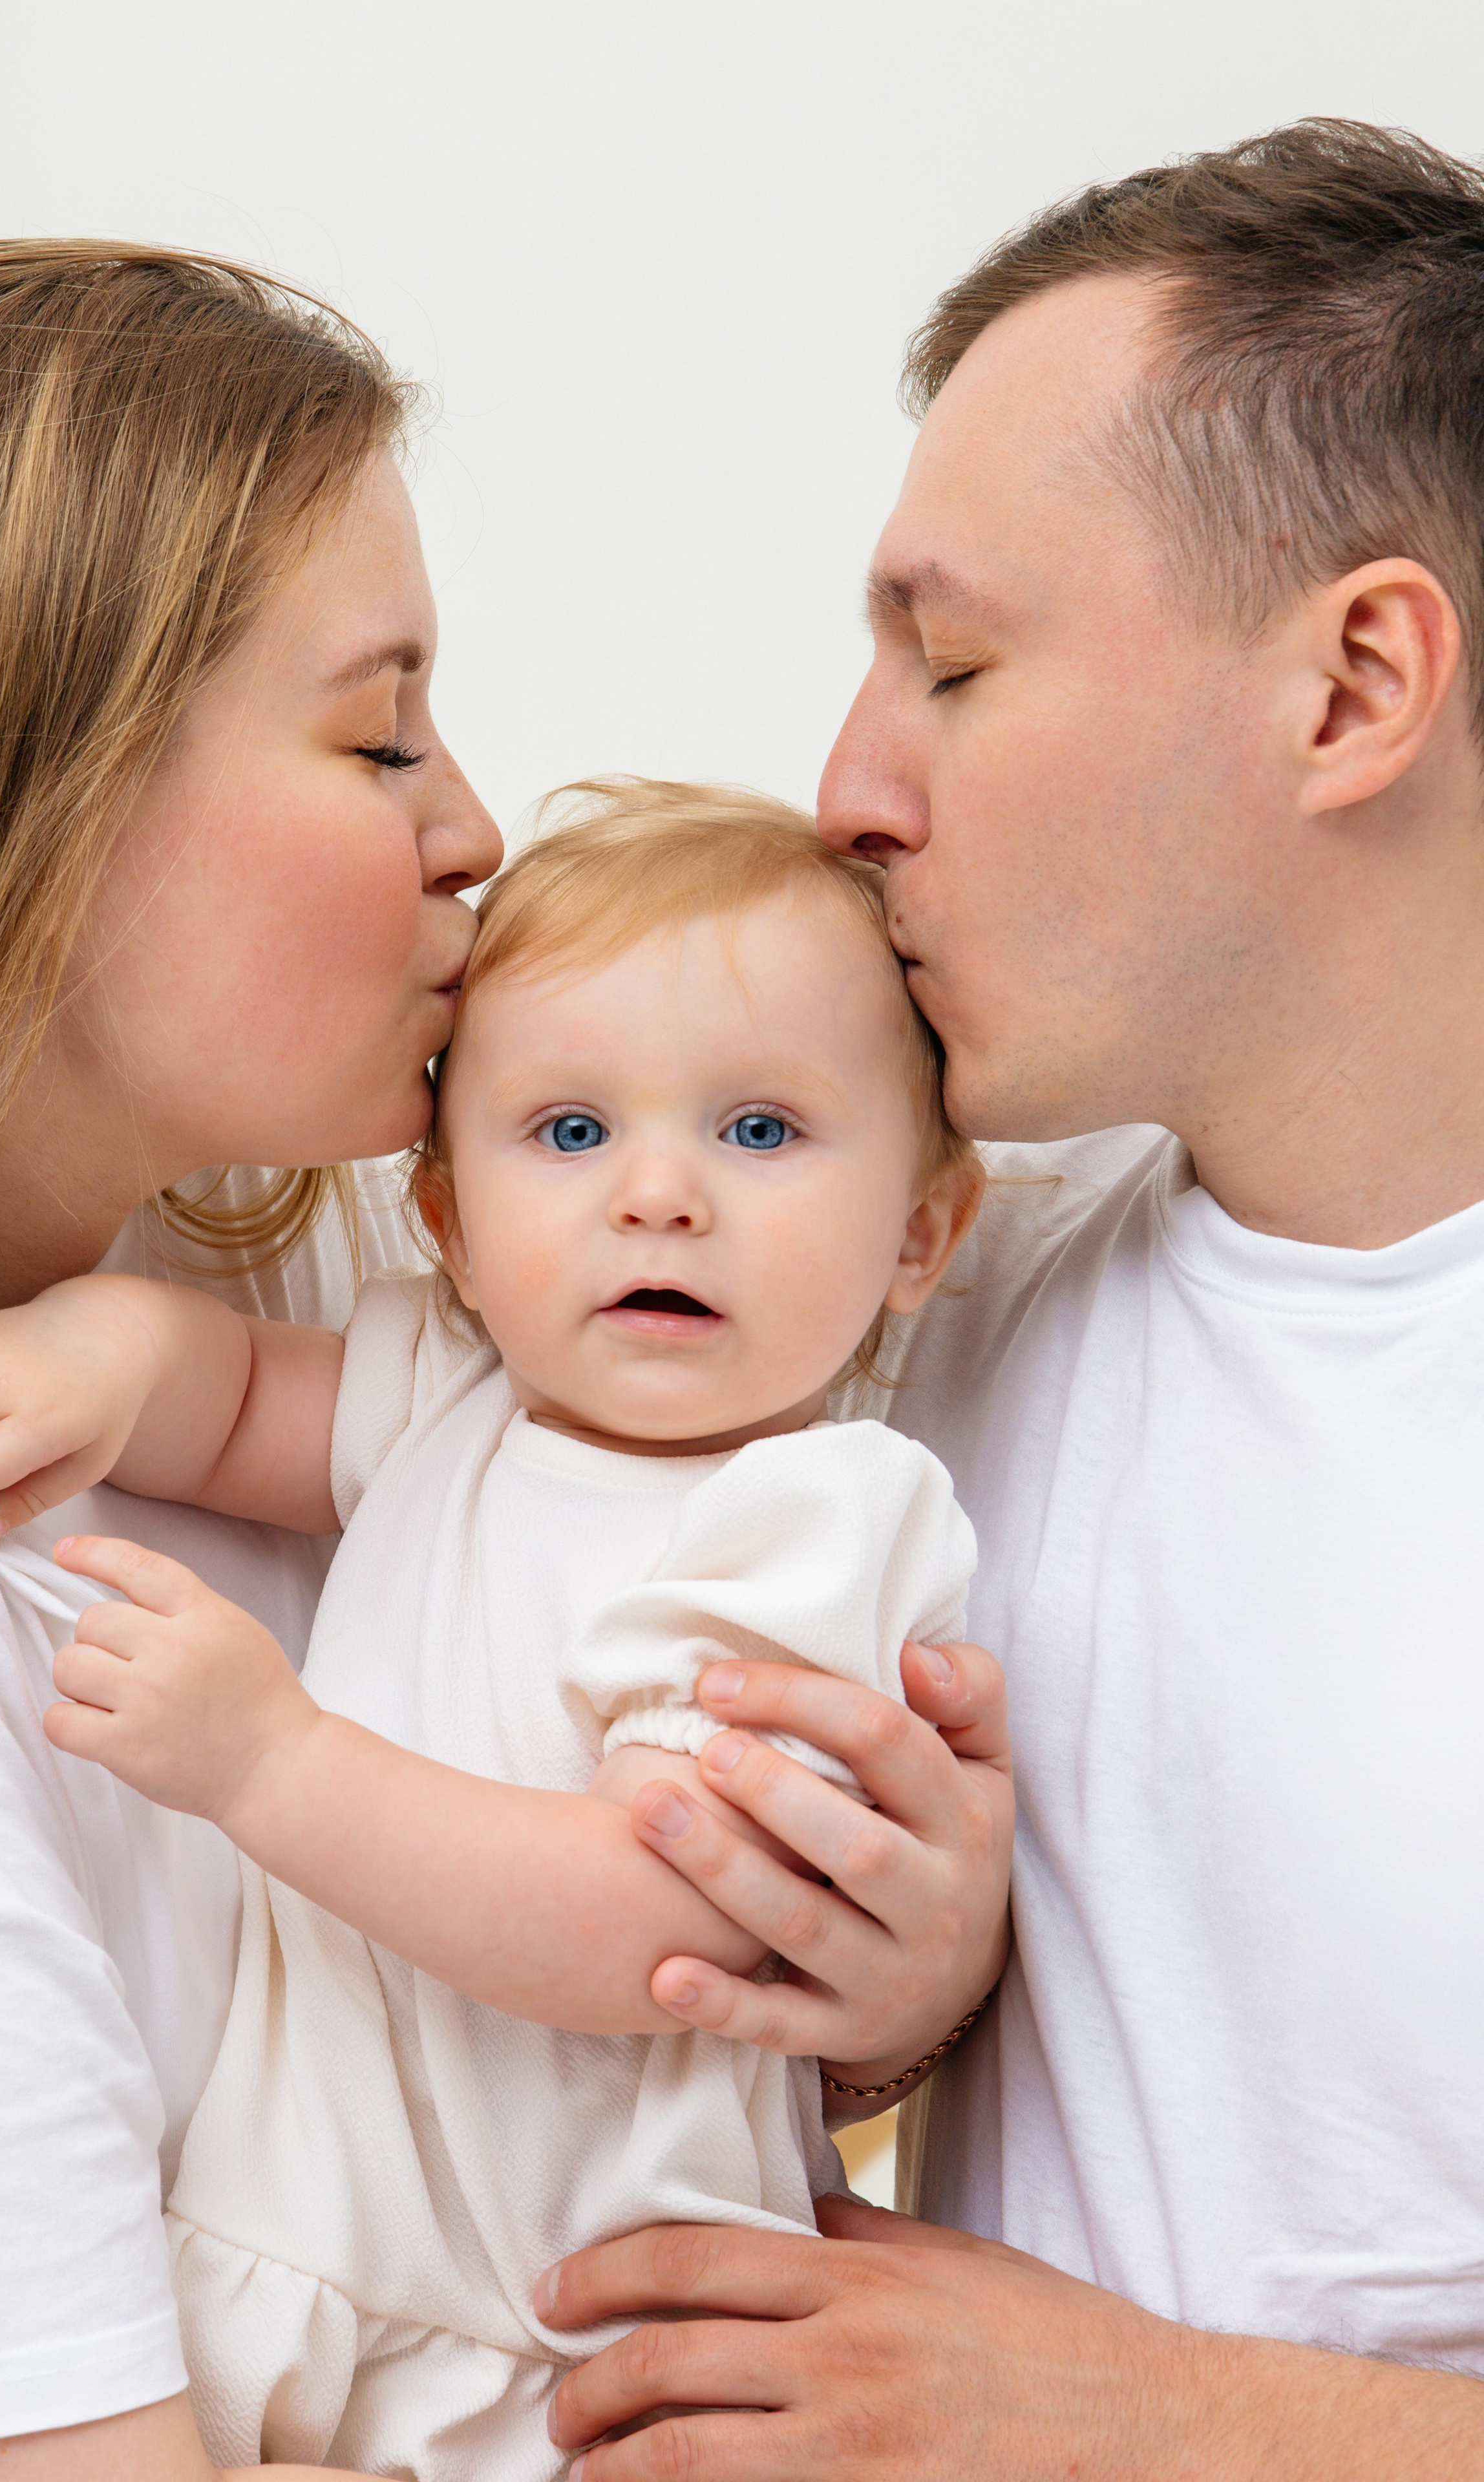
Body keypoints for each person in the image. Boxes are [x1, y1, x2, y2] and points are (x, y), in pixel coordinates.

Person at [0, 248, 1007, 2481]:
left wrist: (881, 1985)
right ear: (30, 807)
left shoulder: (331, 1237)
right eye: (379, 733)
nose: (472, 829)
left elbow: (633, 1859)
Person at [540, 118, 1484, 2479]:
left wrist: (1158, 2419)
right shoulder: (928, 1304)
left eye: (950, 662)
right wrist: (864, 2011)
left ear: (1356, 684)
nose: (850, 785)